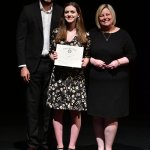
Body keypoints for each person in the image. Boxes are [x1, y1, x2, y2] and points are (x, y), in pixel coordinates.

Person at [87, 4, 136, 150]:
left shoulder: (123, 34)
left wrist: (118, 62)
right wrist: (93, 60)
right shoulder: (91, 34)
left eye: (107, 14)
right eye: (101, 15)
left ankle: (108, 148)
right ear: (98, 18)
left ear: (112, 16)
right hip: (97, 81)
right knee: (96, 115)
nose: (104, 18)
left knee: (111, 116)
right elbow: (83, 54)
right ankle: (100, 148)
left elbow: (132, 55)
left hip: (116, 82)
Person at [16, 0, 63, 150]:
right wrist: (23, 65)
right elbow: (20, 38)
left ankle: (47, 141)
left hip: (53, 64)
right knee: (32, 106)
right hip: (32, 65)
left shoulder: (61, 11)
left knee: (49, 106)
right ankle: (33, 142)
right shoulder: (28, 10)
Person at [46, 2, 91, 150]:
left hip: (76, 79)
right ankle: (60, 145)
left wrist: (86, 61)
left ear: (78, 14)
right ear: (63, 15)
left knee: (75, 114)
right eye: (66, 12)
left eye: (72, 12)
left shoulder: (85, 35)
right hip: (59, 77)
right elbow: (52, 53)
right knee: (57, 112)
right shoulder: (57, 32)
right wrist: (53, 56)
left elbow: (87, 56)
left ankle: (71, 146)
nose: (69, 14)